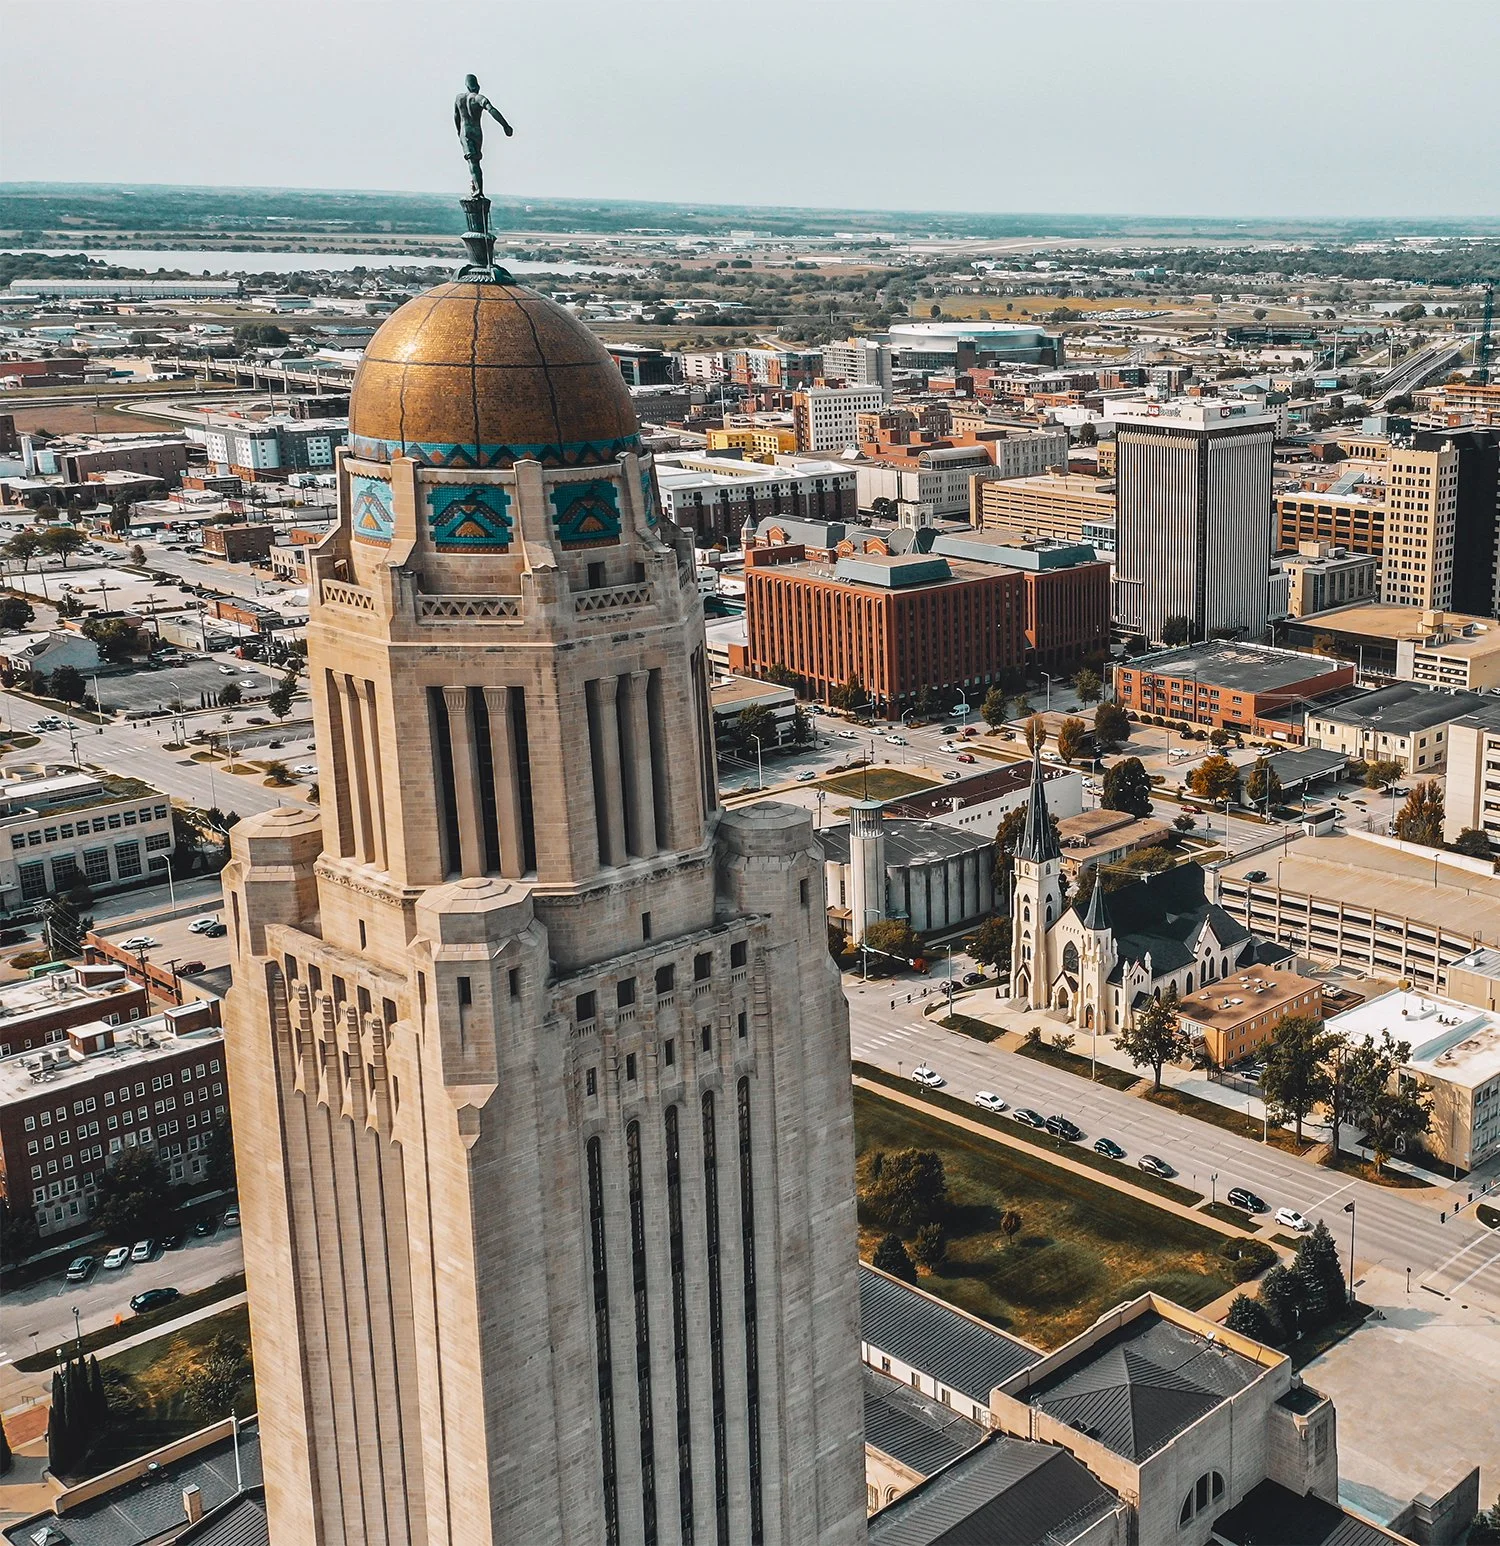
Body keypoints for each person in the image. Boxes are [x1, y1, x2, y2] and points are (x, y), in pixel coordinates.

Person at [454, 73, 513, 197]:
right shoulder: (478, 98)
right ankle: (477, 187)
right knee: (476, 161)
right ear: (477, 86)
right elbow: (492, 110)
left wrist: (459, 131)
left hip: (465, 131)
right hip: (477, 132)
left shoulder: (459, 98)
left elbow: (456, 117)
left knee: (473, 163)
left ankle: (478, 189)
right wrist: (505, 126)